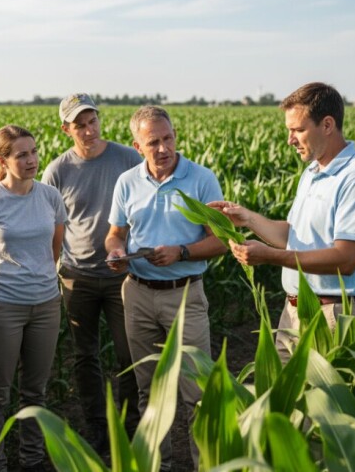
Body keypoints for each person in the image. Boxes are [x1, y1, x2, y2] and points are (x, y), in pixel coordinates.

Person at [209, 82, 355, 363]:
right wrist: (248, 218)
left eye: (298, 130)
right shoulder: (313, 171)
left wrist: (269, 256)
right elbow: (293, 236)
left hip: (334, 315)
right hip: (294, 311)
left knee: (321, 392)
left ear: (327, 125)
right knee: (283, 391)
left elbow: (346, 259)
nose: (290, 140)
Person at [105, 105, 227, 471]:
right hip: (138, 294)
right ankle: (157, 465)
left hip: (184, 294)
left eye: (168, 138)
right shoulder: (127, 181)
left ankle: (206, 466)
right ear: (137, 146)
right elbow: (115, 233)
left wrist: (182, 251)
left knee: (198, 392)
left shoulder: (202, 179)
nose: (163, 148)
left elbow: (222, 240)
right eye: (153, 142)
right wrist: (115, 251)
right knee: (150, 391)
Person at [0, 125, 67, 472]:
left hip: (46, 305)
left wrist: (36, 282)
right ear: (2, 160)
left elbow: (53, 251)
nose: (31, 160)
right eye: (21, 155)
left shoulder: (50, 197)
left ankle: (31, 460)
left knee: (35, 392)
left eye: (34, 152)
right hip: (2, 308)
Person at [40, 93, 142, 453]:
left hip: (121, 275)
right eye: (79, 125)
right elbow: (50, 225)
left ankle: (130, 427)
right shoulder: (57, 171)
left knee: (129, 354)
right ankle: (97, 428)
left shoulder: (128, 159)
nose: (89, 129)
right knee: (85, 356)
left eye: (92, 120)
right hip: (76, 276)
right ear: (66, 129)